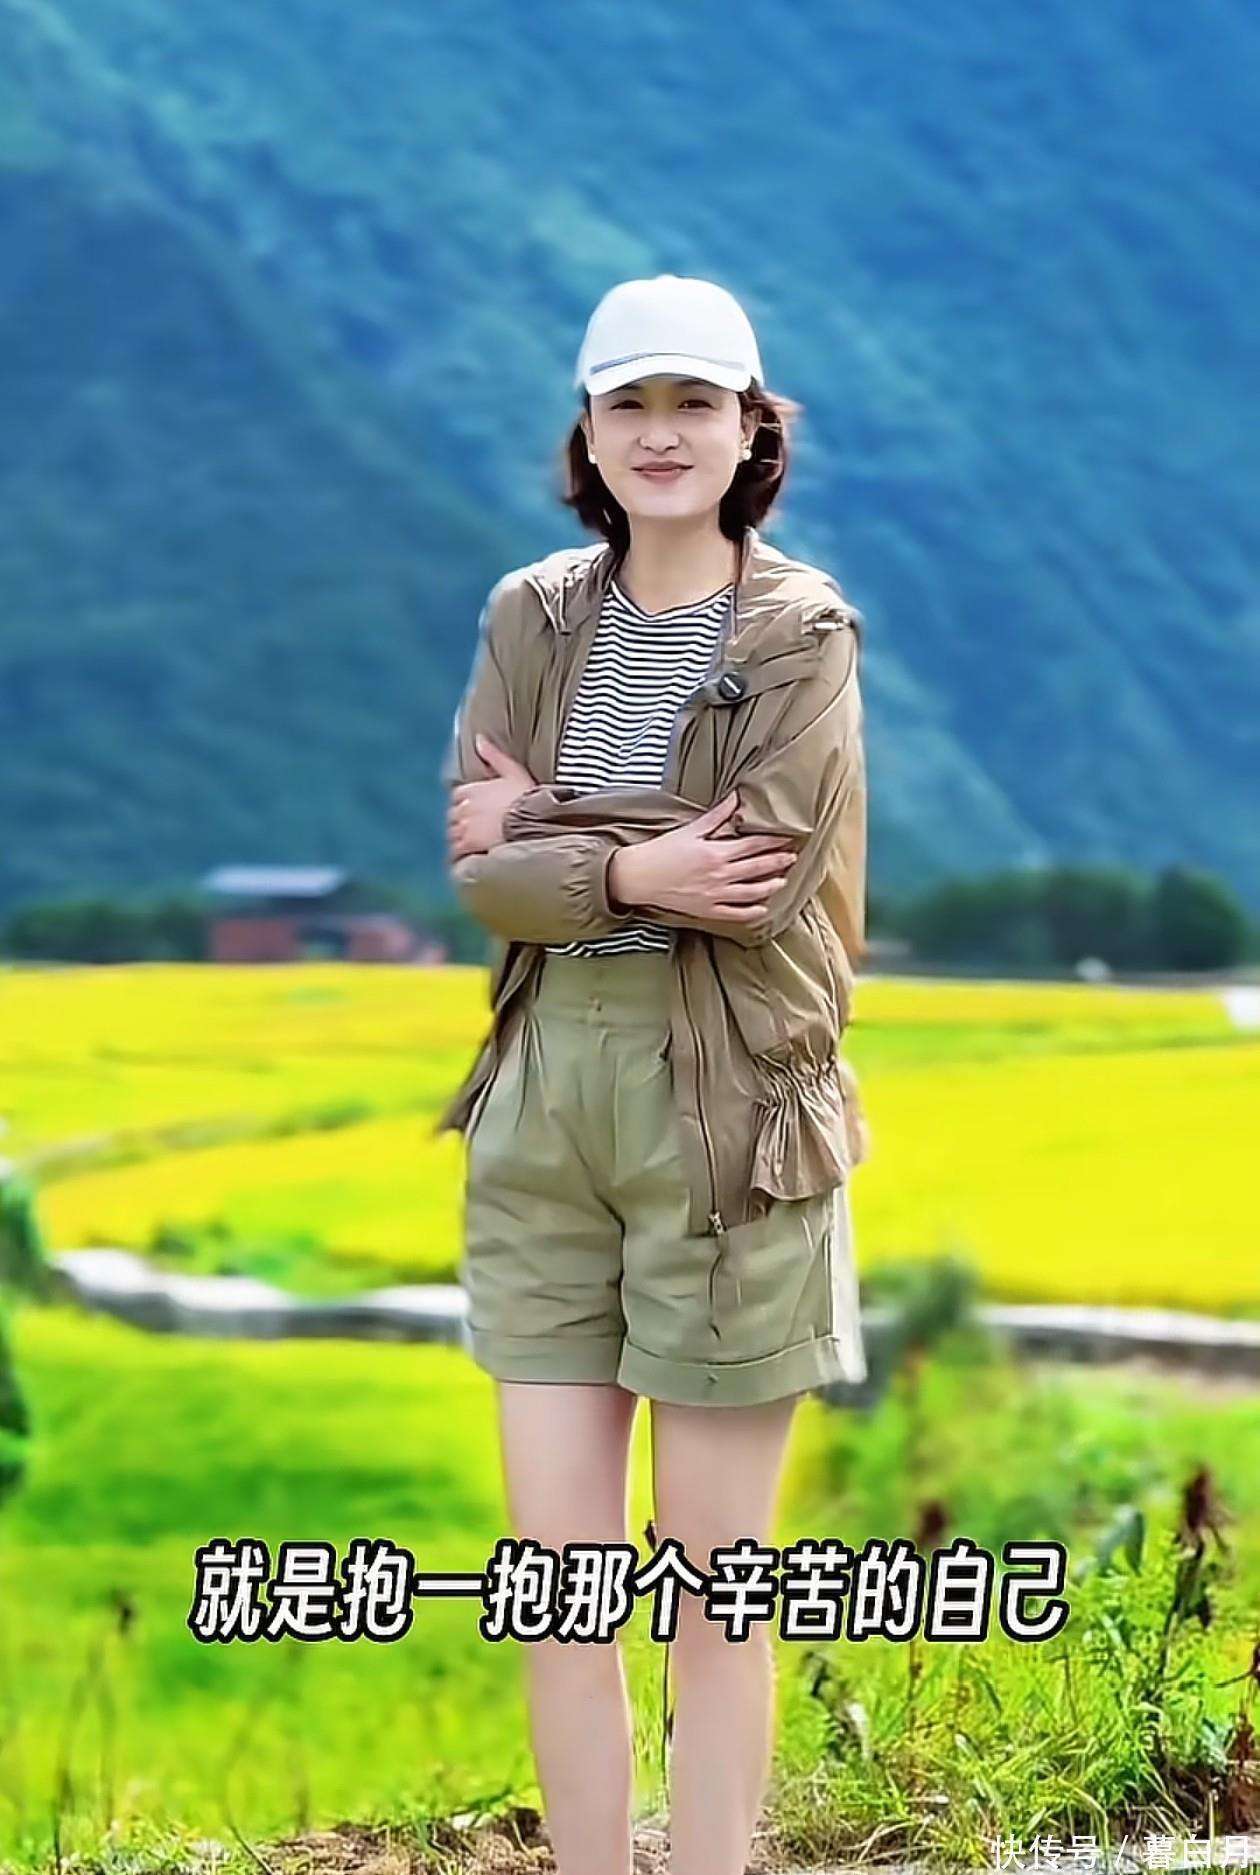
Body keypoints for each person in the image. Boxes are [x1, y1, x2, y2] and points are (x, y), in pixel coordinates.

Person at [439, 274, 871, 1875]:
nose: (663, 433)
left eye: (697, 402)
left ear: (753, 429)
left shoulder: (800, 632)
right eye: (632, 403)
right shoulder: (531, 614)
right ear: (589, 430)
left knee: (712, 1587)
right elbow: (475, 877)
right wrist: (631, 868)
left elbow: (755, 870)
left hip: (731, 1114)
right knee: (559, 1584)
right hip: (543, 1101)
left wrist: (546, 827)